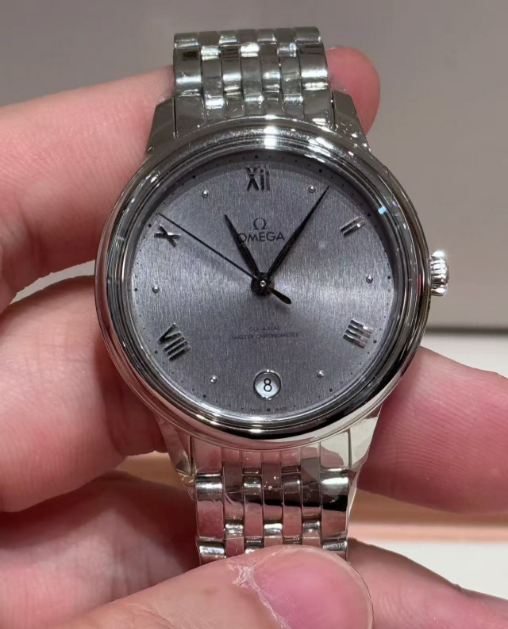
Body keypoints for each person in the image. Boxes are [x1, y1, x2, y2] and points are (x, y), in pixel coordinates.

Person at [0, 46, 506, 629]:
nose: (262, 284)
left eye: (267, 281)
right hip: (205, 420)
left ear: (423, 280)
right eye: (256, 281)